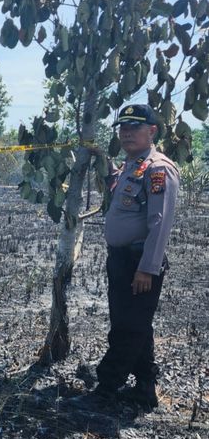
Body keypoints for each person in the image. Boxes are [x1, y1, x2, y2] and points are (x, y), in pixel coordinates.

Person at [88, 104, 180, 411]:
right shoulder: (131, 165)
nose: (126, 133)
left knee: (128, 328)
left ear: (152, 131)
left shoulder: (158, 169)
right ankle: (144, 388)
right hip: (120, 259)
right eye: (122, 128)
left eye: (134, 128)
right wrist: (100, 159)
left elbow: (160, 223)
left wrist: (147, 269)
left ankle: (106, 387)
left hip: (139, 262)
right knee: (135, 324)